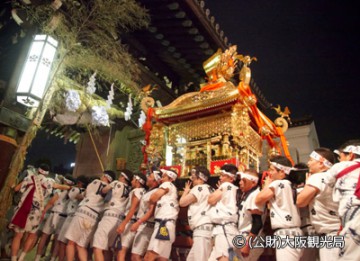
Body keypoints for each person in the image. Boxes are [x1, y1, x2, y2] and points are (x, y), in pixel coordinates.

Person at [9, 163, 70, 261]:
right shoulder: (49, 181)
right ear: (47, 173)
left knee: (18, 236)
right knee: (31, 236)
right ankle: (21, 258)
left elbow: (16, 189)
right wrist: (70, 187)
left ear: (38, 170)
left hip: (23, 210)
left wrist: (12, 185)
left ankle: (13, 258)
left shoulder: (29, 178)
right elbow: (61, 187)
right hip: (37, 212)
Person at [255, 156, 303, 261]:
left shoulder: (277, 184)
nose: (269, 173)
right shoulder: (291, 185)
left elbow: (258, 199)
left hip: (285, 233)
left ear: (282, 171)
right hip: (296, 232)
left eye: (271, 170)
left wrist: (267, 184)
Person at [297, 148, 339, 260]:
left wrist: (307, 185)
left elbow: (300, 202)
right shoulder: (336, 178)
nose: (308, 163)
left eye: (311, 160)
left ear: (321, 163)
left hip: (330, 234)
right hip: (342, 230)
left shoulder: (317, 177)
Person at [65, 170, 116, 261]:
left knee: (71, 243)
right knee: (81, 246)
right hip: (95, 217)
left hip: (83, 212)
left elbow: (83, 195)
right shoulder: (112, 189)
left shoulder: (95, 182)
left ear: (105, 176)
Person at [323, 142, 360, 260]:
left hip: (353, 214)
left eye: (341, 156)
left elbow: (326, 181)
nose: (339, 160)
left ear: (351, 155)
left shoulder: (340, 166)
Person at [92, 169, 133, 261]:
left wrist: (108, 186)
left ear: (123, 177)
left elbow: (103, 190)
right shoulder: (130, 189)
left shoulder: (116, 183)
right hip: (119, 220)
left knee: (97, 246)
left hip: (109, 217)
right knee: (108, 249)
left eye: (120, 175)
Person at [179, 166, 214, 261]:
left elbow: (182, 203)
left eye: (194, 177)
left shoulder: (198, 188)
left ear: (200, 178)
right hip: (207, 229)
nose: (192, 179)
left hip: (202, 230)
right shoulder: (211, 189)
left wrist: (186, 191)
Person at [144, 169, 179, 261]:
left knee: (149, 256)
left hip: (163, 225)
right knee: (161, 258)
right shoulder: (173, 189)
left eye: (164, 177)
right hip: (169, 225)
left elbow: (153, 198)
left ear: (170, 178)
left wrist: (150, 200)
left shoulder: (167, 184)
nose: (161, 179)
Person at [208, 163, 239, 261]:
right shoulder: (234, 189)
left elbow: (211, 199)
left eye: (223, 175)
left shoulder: (226, 185)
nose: (220, 178)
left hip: (224, 227)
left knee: (223, 257)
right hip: (226, 227)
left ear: (231, 178)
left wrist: (218, 189)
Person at [130, 169, 162, 260]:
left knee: (136, 256)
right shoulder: (149, 191)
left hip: (147, 226)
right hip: (144, 225)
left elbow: (151, 212)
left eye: (150, 177)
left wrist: (138, 223)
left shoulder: (155, 193)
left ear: (155, 181)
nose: (147, 178)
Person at [235, 169, 266, 261]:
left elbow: (257, 223)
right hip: (244, 237)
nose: (240, 183)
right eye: (240, 180)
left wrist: (248, 245)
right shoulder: (248, 194)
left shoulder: (255, 195)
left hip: (250, 239)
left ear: (253, 182)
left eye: (243, 180)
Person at [115, 172, 146, 261]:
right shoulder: (144, 191)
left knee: (121, 251)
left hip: (130, 222)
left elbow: (132, 209)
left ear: (137, 181)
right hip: (136, 222)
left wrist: (123, 224)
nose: (131, 181)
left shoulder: (136, 191)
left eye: (133, 179)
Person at [56, 175, 88, 261]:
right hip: (79, 218)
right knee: (74, 245)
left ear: (80, 183)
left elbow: (71, 195)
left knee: (62, 243)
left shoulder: (77, 190)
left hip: (71, 217)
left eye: (78, 182)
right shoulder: (87, 192)